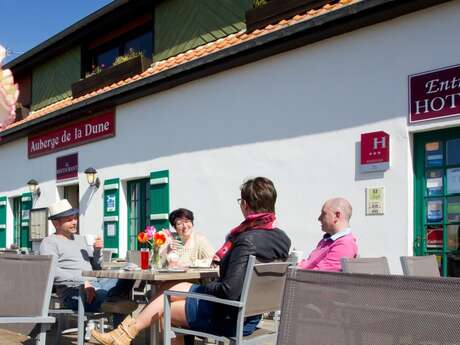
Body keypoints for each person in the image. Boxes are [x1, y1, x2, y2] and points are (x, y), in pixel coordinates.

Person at [92, 177, 291, 345]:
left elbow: (229, 290)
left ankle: (122, 335)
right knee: (167, 290)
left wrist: (193, 289)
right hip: (250, 315)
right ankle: (122, 335)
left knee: (164, 302)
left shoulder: (246, 239)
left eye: (240, 201)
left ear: (245, 205)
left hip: (229, 316)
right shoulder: (282, 238)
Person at [39, 199, 136, 323]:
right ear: (56, 223)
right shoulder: (49, 242)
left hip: (96, 283)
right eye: (69, 220)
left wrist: (96, 251)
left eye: (75, 218)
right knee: (115, 299)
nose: (74, 222)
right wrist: (83, 282)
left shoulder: (80, 239)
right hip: (74, 292)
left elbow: (96, 268)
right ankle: (116, 309)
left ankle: (114, 301)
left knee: (130, 268)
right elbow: (51, 271)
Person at [297, 197, 358, 272]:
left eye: (324, 214)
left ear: (337, 215)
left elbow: (320, 275)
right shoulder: (327, 240)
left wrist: (294, 271)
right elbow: (309, 264)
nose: (319, 218)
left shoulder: (345, 244)